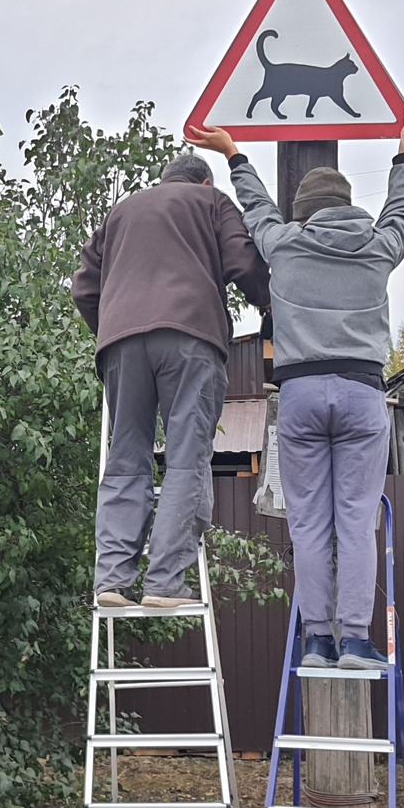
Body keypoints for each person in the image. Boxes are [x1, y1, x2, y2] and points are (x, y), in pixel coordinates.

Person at [185, 109, 404, 669]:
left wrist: (234, 153)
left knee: (310, 523)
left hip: (298, 396)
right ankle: (356, 643)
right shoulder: (377, 247)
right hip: (363, 394)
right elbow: (401, 213)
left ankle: (317, 640)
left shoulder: (285, 245)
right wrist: (403, 152)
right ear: (345, 207)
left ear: (304, 213)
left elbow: (257, 207)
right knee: (355, 519)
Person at [73, 154, 272, 609]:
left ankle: (112, 581)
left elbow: (83, 288)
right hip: (190, 338)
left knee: (125, 458)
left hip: (121, 344)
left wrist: (113, 328)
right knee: (185, 459)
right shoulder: (211, 200)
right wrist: (267, 303)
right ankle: (163, 583)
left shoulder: (121, 210)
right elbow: (243, 262)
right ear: (204, 180)